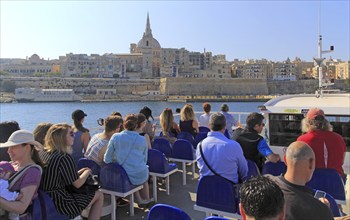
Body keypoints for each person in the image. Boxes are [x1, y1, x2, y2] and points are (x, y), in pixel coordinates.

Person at [40, 123, 103, 219]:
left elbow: (60, 176)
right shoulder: (64, 157)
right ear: (61, 137)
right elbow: (77, 184)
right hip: (61, 202)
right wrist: (87, 172)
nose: (74, 136)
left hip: (46, 198)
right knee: (99, 195)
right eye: (71, 134)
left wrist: (79, 172)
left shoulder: (43, 153)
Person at [267, 141, 333, 220]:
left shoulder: (264, 185)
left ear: (285, 159)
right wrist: (322, 209)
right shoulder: (319, 210)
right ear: (311, 163)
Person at [104, 114, 153, 207]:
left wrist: (117, 160)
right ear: (136, 125)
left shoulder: (115, 137)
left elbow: (107, 159)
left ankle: (140, 200)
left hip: (123, 175)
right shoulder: (142, 139)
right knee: (140, 171)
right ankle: (146, 199)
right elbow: (144, 159)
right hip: (140, 174)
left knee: (127, 170)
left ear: (124, 124)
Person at [0, 130, 44, 220]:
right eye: (9, 147)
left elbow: (21, 207)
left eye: (13, 147)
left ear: (27, 148)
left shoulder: (32, 172)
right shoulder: (12, 165)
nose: (8, 151)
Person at [196, 113, 248, 183]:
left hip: (206, 189)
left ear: (209, 126)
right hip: (228, 190)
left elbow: (200, 167)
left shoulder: (200, 146)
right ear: (225, 127)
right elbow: (244, 171)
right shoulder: (234, 146)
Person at [297, 108, 346, 180]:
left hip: (314, 179)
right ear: (326, 122)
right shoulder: (339, 138)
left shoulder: (302, 140)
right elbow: (342, 161)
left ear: (307, 123)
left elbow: (296, 161)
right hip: (336, 179)